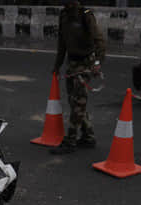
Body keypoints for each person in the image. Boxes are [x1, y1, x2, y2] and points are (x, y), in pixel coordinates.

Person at [50, 0, 105, 155]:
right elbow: (62, 43)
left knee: (78, 102)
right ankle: (88, 136)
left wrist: (98, 61)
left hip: (86, 63)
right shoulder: (64, 15)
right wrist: (57, 66)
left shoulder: (86, 15)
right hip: (72, 63)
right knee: (74, 102)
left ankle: (70, 141)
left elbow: (99, 40)